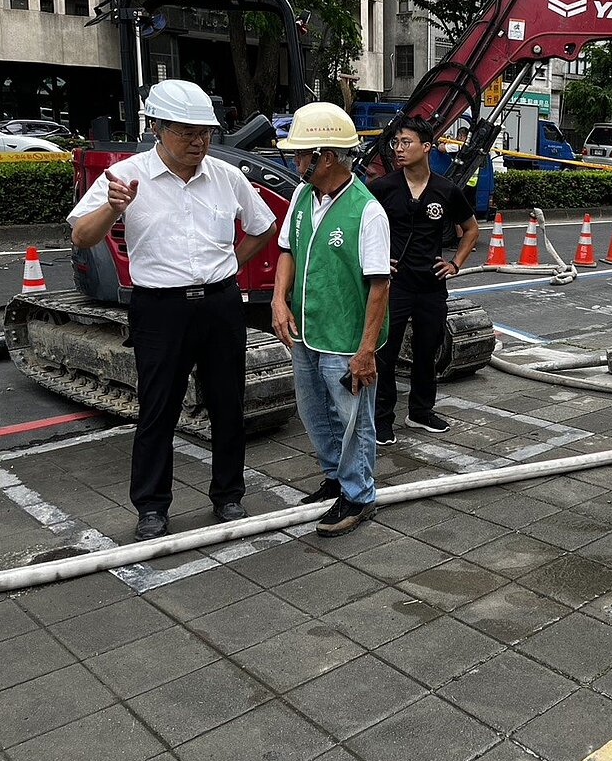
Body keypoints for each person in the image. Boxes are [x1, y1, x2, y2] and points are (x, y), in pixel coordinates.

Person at [68, 79, 277, 541]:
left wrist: (229, 267)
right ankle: (151, 507)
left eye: (204, 132)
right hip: (159, 309)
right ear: (158, 128)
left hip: (220, 305)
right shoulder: (125, 176)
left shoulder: (227, 176)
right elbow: (81, 235)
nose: (198, 142)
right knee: (158, 408)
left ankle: (228, 495)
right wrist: (113, 210)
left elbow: (263, 228)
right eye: (186, 132)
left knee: (227, 403)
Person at [272, 103, 391, 537]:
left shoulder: (367, 211)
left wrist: (365, 352)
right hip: (306, 330)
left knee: (353, 419)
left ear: (324, 156)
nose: (295, 160)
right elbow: (287, 250)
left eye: (301, 153)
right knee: (314, 411)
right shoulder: (302, 196)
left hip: (345, 339)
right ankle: (334, 478)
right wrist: (278, 301)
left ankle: (358, 495)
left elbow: (379, 287)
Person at [369, 117, 479, 443]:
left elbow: (471, 230)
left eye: (406, 142)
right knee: (385, 353)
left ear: (426, 147)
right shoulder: (383, 187)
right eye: (396, 143)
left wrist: (455, 263)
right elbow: (359, 226)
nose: (399, 149)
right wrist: (373, 259)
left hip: (431, 285)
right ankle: (382, 418)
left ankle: (419, 411)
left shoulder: (446, 190)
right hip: (395, 284)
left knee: (426, 349)